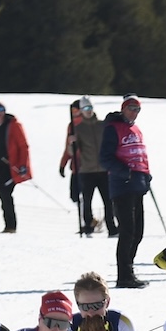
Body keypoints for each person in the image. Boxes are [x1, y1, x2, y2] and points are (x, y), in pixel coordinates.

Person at [101, 95, 151, 288]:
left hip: (137, 184)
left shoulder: (136, 129)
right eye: (131, 108)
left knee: (138, 231)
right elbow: (105, 158)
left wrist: (146, 175)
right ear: (123, 108)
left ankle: (129, 268)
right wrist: (125, 171)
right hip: (122, 185)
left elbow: (141, 155)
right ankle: (124, 275)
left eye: (138, 109)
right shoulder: (113, 128)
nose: (134, 112)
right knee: (127, 231)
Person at [62, 98, 111, 236]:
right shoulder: (77, 128)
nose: (88, 112)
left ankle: (111, 226)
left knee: (108, 200)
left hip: (103, 169)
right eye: (85, 109)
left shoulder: (102, 125)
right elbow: (72, 152)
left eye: (89, 108)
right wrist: (71, 144)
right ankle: (88, 225)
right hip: (86, 170)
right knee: (86, 201)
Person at [0, 101, 31, 234]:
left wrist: (23, 165)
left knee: (6, 194)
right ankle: (8, 225)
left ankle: (11, 226)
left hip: (11, 168)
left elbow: (23, 146)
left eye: (1, 109)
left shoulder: (14, 125)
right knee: (3, 196)